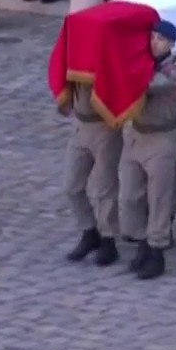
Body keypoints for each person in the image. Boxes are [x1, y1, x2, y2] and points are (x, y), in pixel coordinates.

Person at [119, 20, 176, 280]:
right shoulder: (145, 64)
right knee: (130, 195)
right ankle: (141, 242)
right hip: (137, 134)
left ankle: (157, 250)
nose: (154, 42)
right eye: (152, 37)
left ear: (171, 43)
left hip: (162, 137)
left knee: (158, 197)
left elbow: (150, 84)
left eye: (160, 39)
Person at [61, 79, 123, 267]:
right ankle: (89, 231)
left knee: (105, 187)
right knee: (72, 185)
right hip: (81, 124)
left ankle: (108, 239)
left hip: (104, 125)